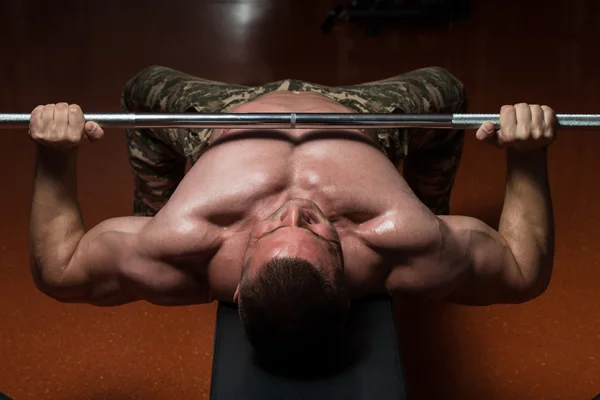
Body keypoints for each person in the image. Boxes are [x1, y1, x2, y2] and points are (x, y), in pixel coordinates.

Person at [28, 66, 555, 362]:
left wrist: (55, 156)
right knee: (448, 90)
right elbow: (522, 269)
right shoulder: (406, 246)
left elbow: (60, 266)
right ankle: (423, 192)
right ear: (346, 279)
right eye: (321, 233)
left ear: (237, 282)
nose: (295, 210)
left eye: (273, 230)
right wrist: (526, 155)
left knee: (141, 90)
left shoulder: (179, 249)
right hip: (364, 120)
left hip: (222, 121)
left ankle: (160, 196)